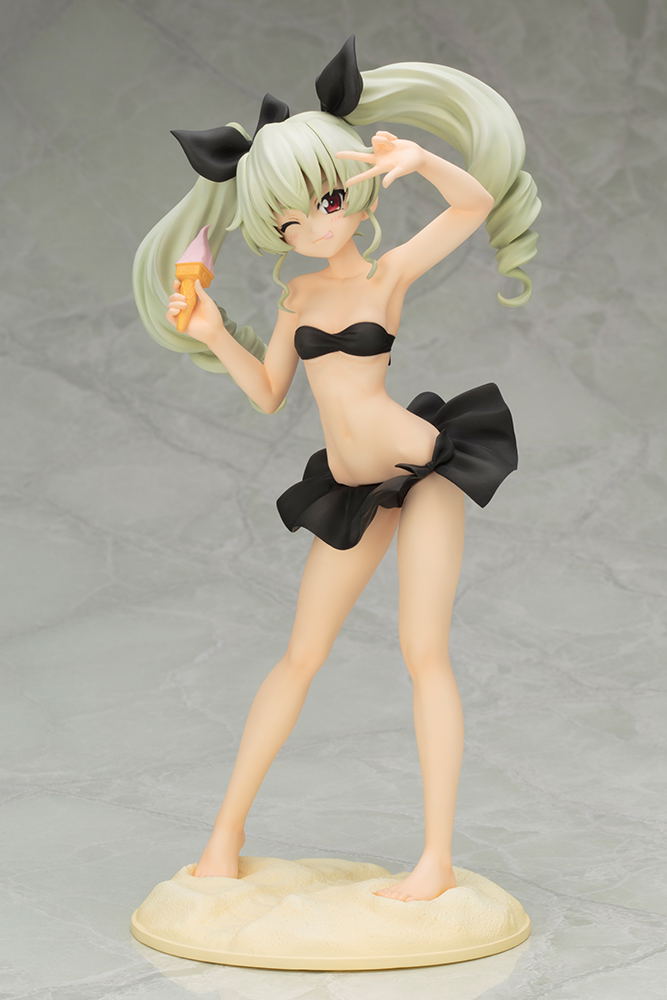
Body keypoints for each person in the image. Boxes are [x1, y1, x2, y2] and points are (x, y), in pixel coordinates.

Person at [133, 36, 539, 902]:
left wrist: (421, 160)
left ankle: (434, 861)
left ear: (352, 192)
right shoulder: (299, 297)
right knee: (299, 656)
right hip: (352, 487)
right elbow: (270, 393)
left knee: (422, 652)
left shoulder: (387, 275)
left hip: (424, 471)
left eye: (322, 201)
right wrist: (212, 332)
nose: (313, 228)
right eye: (289, 222)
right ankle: (224, 835)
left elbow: (471, 206)